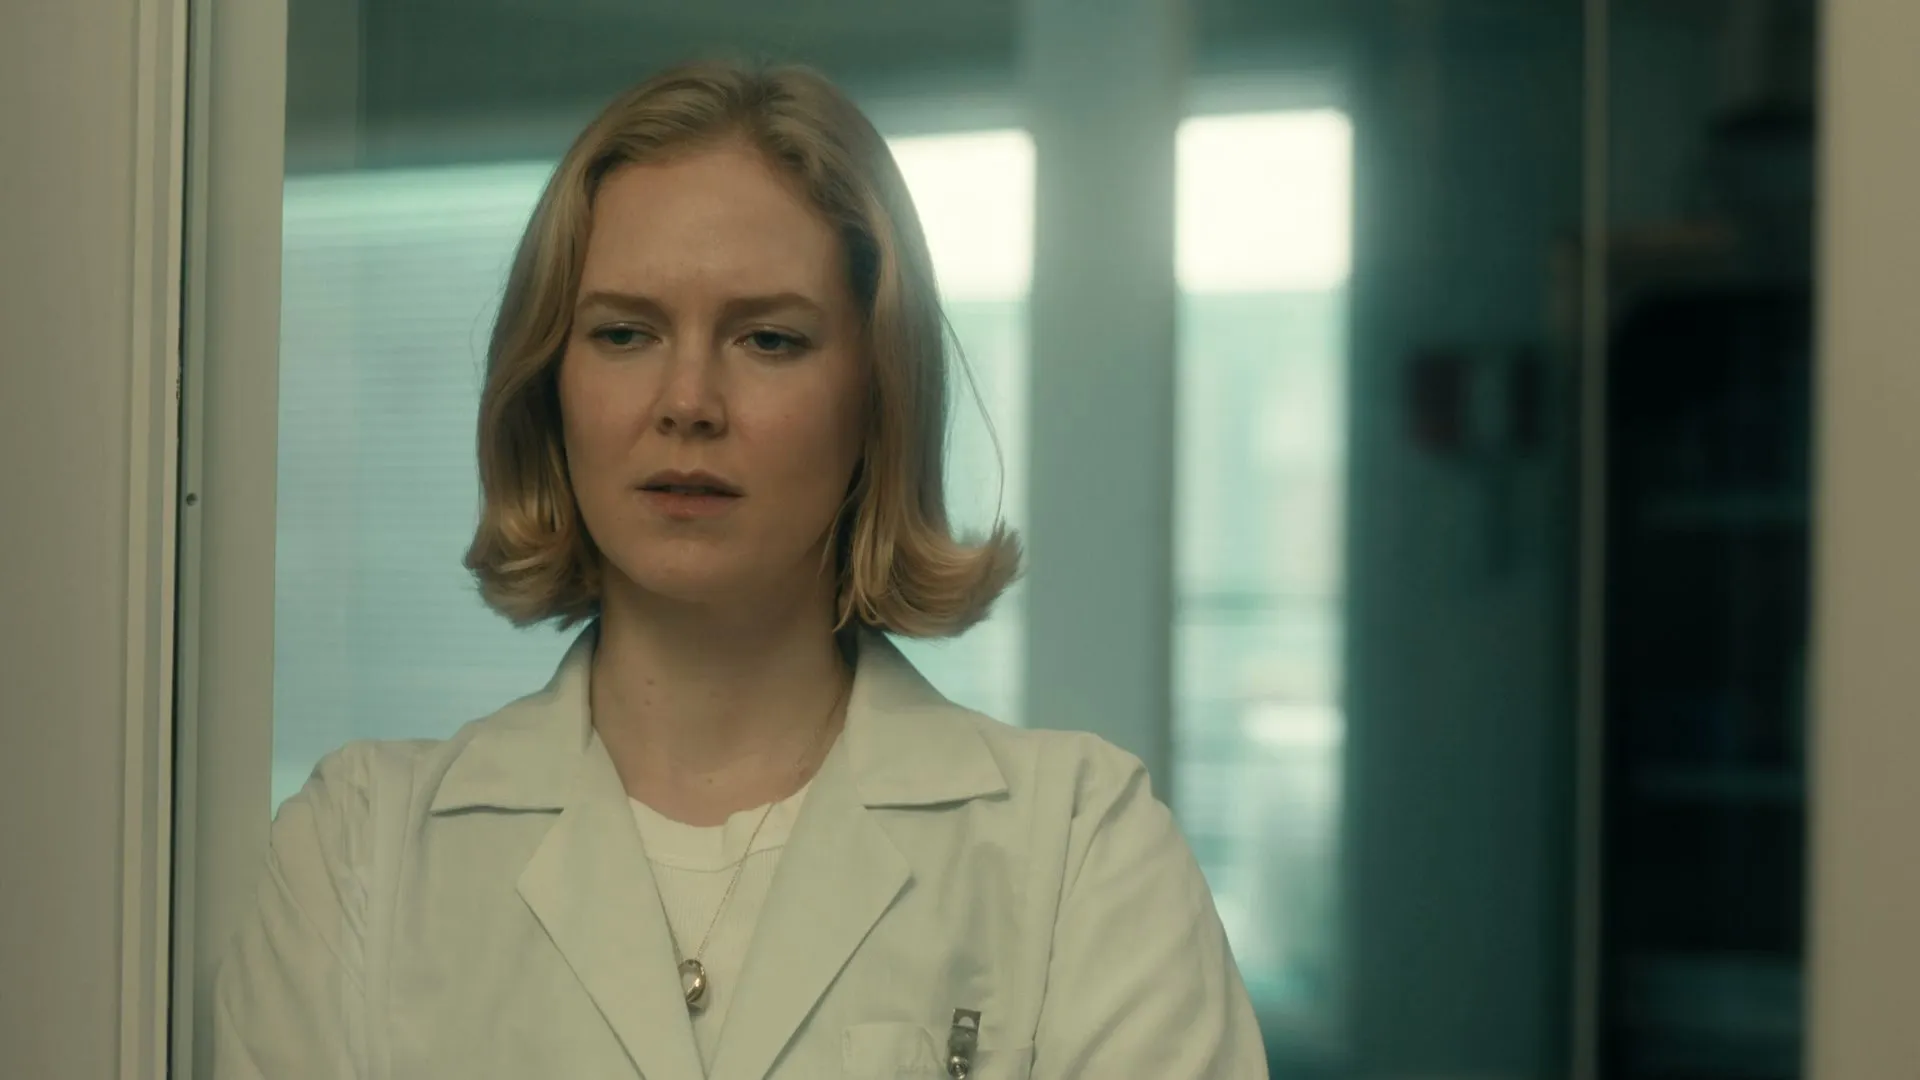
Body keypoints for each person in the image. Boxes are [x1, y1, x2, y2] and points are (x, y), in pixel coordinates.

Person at [213, 59, 1268, 1080]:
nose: (688, 402)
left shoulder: (1079, 848)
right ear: (548, 385)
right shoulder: (360, 852)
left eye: (767, 340)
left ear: (879, 399)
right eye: (624, 333)